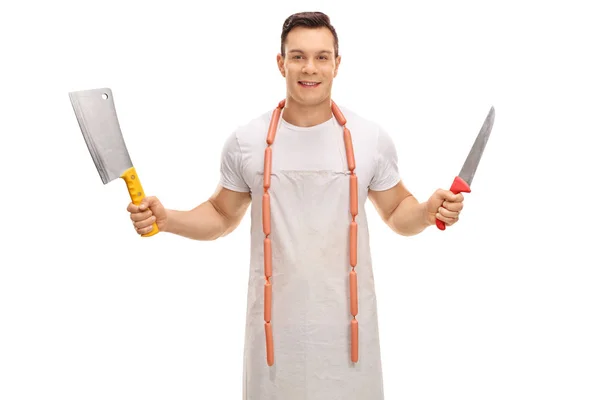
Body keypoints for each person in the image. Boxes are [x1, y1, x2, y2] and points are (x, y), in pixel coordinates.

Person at [127, 11, 464, 400]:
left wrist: (426, 212)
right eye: (298, 56)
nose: (310, 67)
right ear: (280, 62)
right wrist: (167, 219)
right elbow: (220, 216)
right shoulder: (247, 141)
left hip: (348, 331)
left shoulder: (370, 138)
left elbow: (396, 211)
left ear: (337, 64)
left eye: (322, 57)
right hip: (274, 336)